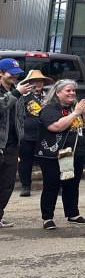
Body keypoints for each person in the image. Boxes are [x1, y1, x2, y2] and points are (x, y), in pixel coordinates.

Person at [36, 80, 85, 230]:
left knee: (72, 185)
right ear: (58, 92)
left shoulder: (77, 108)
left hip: (74, 154)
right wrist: (75, 113)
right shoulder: (49, 109)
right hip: (54, 154)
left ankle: (73, 214)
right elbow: (56, 126)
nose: (72, 93)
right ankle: (47, 217)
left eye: (73, 91)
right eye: (68, 90)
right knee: (52, 185)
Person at [0, 59, 31, 227]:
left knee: (7, 183)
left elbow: (20, 117)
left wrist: (21, 136)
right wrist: (17, 93)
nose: (15, 76)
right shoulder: (16, 92)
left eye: (17, 73)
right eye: (11, 73)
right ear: (1, 73)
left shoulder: (16, 91)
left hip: (12, 145)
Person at [16, 70, 50, 197]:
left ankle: (53, 186)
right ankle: (25, 186)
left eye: (40, 81)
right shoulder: (22, 97)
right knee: (25, 162)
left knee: (48, 162)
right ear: (29, 83)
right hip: (27, 135)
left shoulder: (49, 96)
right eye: (34, 81)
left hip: (46, 135)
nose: (38, 83)